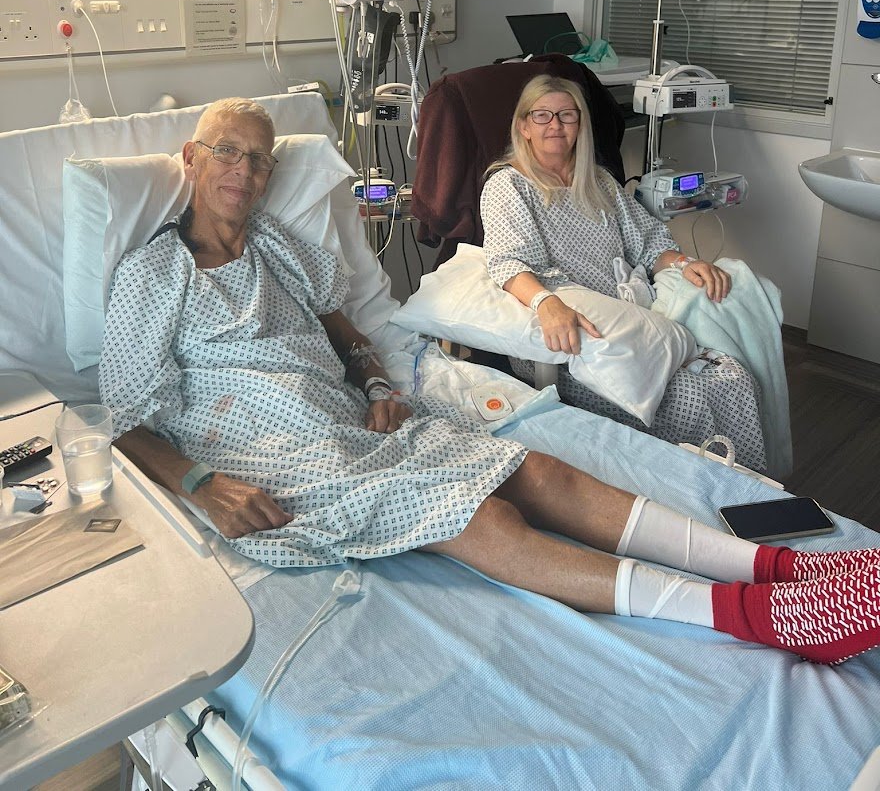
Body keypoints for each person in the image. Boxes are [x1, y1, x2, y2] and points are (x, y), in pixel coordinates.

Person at [99, 97, 880, 665]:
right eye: (226, 153)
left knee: (537, 471)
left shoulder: (282, 250)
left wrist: (375, 381)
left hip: (351, 421)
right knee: (483, 518)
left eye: (259, 156)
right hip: (263, 449)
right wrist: (203, 483)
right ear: (191, 161)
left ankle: (777, 566)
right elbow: (128, 420)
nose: (244, 169)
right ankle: (747, 614)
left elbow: (343, 326)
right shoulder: (152, 274)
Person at [480, 73, 767, 470]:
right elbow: (508, 262)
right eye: (542, 115)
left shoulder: (597, 181)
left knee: (732, 377)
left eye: (567, 115)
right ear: (524, 126)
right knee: (687, 397)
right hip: (571, 336)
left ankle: (744, 489)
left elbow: (648, 242)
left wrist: (686, 264)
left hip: (629, 319)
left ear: (581, 123)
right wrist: (548, 304)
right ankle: (682, 490)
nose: (556, 125)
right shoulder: (509, 185)